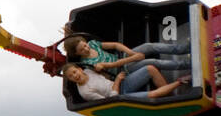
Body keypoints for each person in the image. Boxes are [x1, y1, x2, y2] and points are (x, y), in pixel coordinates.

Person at [62, 32, 191, 78]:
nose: (86, 48)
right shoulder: (88, 64)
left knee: (148, 46)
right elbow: (112, 65)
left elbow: (115, 45)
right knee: (152, 62)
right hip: (122, 70)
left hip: (123, 58)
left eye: (84, 45)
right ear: (76, 53)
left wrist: (130, 52)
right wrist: (133, 58)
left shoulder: (93, 44)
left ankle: (183, 48)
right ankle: (185, 64)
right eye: (82, 49)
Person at [63, 62, 189, 103]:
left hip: (122, 84)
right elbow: (111, 100)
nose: (75, 76)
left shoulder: (87, 71)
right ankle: (180, 82)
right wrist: (117, 80)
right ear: (71, 80)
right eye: (71, 76)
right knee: (152, 95)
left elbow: (101, 73)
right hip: (120, 98)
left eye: (74, 72)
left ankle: (170, 96)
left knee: (150, 68)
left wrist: (102, 68)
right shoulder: (85, 92)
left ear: (79, 69)